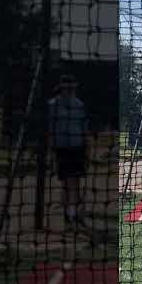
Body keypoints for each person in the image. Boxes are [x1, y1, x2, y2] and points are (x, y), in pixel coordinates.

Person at [48, 74, 89, 227]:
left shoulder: (79, 104)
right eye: (66, 88)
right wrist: (51, 150)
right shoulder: (53, 105)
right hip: (62, 148)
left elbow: (84, 129)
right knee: (66, 181)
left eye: (71, 88)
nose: (69, 91)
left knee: (75, 181)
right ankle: (69, 212)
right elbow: (50, 130)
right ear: (61, 89)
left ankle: (73, 212)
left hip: (77, 147)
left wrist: (87, 149)